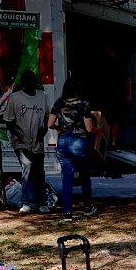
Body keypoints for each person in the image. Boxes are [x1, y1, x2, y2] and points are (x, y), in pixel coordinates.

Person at [48, 78, 97, 222]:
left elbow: (49, 124)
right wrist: (96, 129)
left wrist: (60, 129)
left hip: (62, 141)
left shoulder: (59, 102)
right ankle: (87, 207)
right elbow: (88, 128)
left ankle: (68, 212)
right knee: (84, 176)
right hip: (79, 141)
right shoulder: (84, 104)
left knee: (67, 179)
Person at [3, 70, 50, 213]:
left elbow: (47, 117)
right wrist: (18, 134)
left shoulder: (42, 96)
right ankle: (27, 202)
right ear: (23, 83)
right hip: (21, 142)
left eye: (32, 80)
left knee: (39, 172)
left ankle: (41, 202)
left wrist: (44, 131)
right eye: (27, 80)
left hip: (37, 142)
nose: (30, 83)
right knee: (27, 170)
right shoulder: (15, 98)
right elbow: (8, 121)